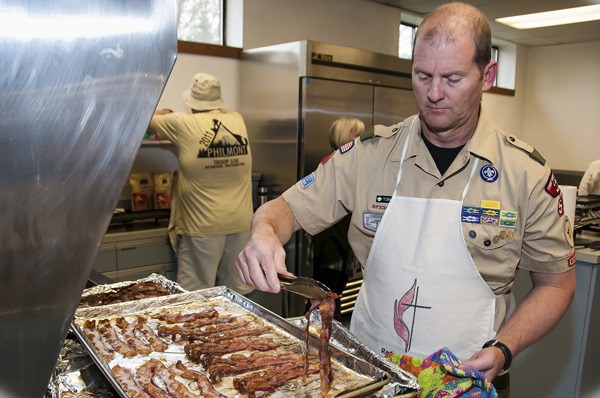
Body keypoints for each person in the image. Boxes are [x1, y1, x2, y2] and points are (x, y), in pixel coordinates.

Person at [235, 2, 576, 394]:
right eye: (422, 75)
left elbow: (555, 285)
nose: (433, 93)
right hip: (367, 374)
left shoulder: (525, 175)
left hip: (469, 378)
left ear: (488, 76)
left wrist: (505, 347)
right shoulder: (369, 155)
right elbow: (285, 208)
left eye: (452, 78)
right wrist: (263, 235)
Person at [149, 72, 254, 294]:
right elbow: (220, 114)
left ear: (192, 102)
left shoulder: (182, 123)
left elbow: (145, 118)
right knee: (235, 294)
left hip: (203, 227)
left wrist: (166, 112)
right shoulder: (237, 120)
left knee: (195, 295)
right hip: (240, 223)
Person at [308, 117, 365, 318]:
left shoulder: (354, 164)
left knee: (333, 298)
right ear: (344, 138)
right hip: (331, 246)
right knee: (324, 300)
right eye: (356, 135)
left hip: (342, 246)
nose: (362, 139)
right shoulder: (332, 165)